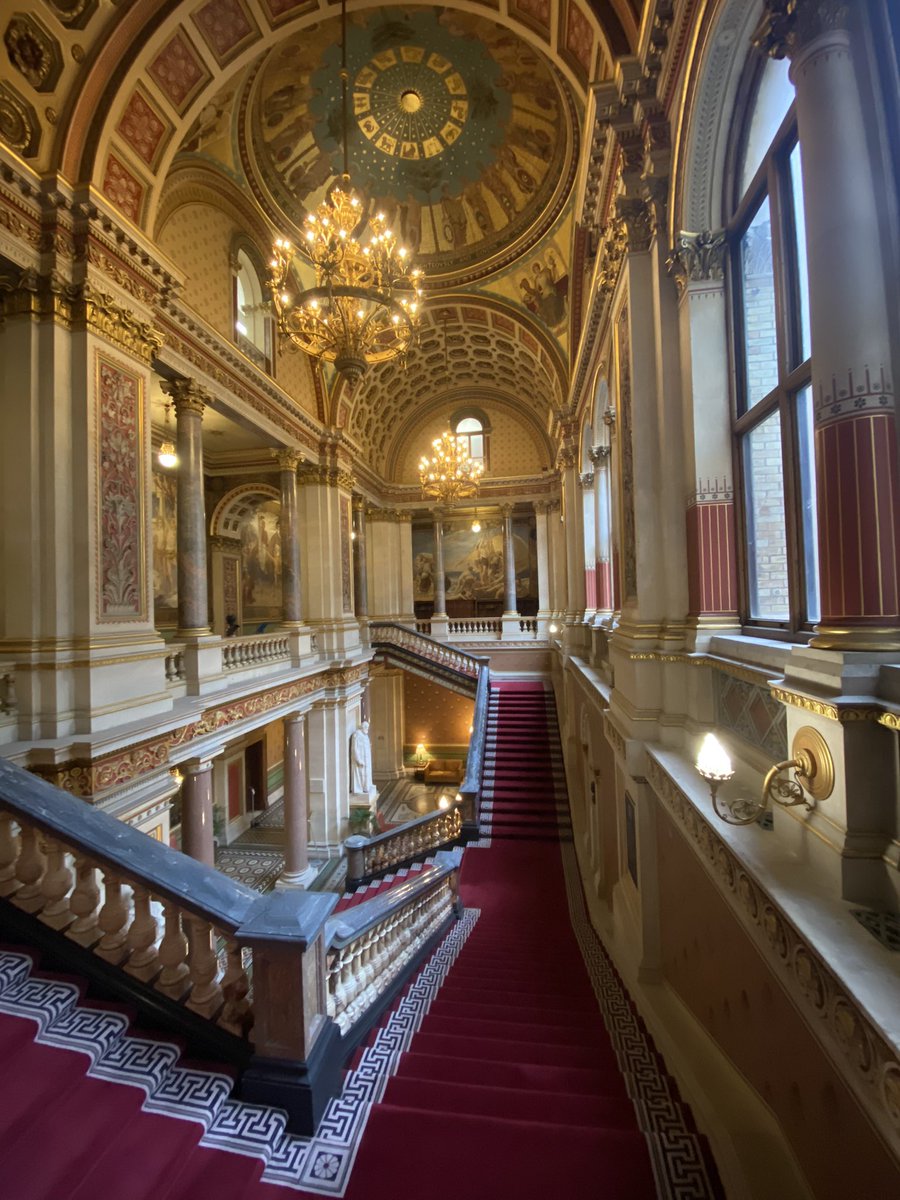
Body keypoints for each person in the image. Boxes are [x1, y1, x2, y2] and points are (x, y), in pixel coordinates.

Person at [350, 720, 374, 796]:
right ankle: (362, 788)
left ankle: (366, 787)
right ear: (362, 727)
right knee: (361, 775)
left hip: (367, 760)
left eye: (368, 727)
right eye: (366, 727)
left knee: (366, 774)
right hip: (361, 760)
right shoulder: (357, 735)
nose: (367, 728)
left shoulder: (365, 735)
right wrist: (358, 760)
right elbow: (355, 749)